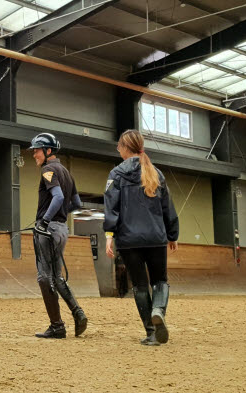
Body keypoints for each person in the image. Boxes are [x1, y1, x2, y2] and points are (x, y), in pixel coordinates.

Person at [103, 129, 179, 346]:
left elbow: (111, 207)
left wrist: (109, 235)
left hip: (128, 241)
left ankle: (151, 332)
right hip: (156, 238)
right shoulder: (157, 173)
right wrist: (172, 234)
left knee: (139, 285)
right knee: (160, 281)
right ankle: (158, 310)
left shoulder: (116, 174)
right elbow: (168, 207)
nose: (118, 150)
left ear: (126, 148)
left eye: (119, 146)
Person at [28, 132, 88, 339]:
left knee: (44, 277)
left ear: (48, 151)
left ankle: (57, 326)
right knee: (57, 276)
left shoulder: (47, 170)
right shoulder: (67, 173)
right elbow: (77, 204)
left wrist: (45, 221)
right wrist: (60, 214)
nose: (34, 154)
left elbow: (58, 196)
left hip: (48, 229)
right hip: (62, 229)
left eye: (36, 150)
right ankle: (78, 313)